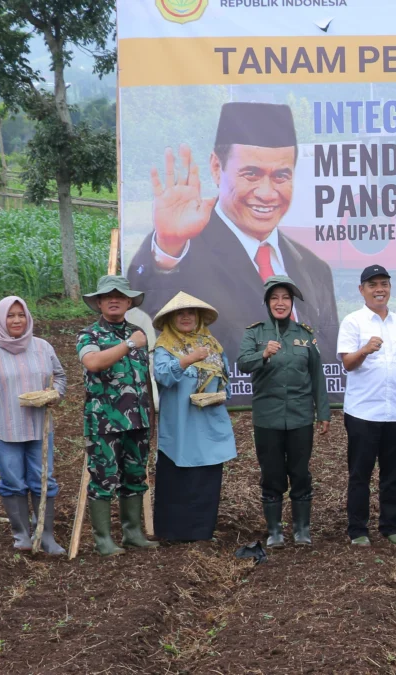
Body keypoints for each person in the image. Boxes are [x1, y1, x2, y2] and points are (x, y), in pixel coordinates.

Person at [129, 102, 339, 399]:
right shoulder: (185, 247)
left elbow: (328, 357)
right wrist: (169, 247)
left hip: (299, 411)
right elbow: (145, 299)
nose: (267, 193)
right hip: (223, 409)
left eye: (281, 175)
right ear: (217, 168)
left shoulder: (315, 268)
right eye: (251, 174)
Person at [0, 297, 67, 554]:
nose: (16, 320)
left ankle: (46, 535)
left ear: (28, 317)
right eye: (10, 315)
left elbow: (59, 376)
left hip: (38, 426)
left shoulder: (42, 347)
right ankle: (21, 535)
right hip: (2, 427)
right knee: (13, 482)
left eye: (21, 315)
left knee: (43, 480)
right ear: (0, 319)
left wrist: (55, 394)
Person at [237, 275, 331, 547]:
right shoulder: (254, 333)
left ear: (292, 302)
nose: (280, 303)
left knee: (301, 472)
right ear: (267, 302)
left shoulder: (304, 334)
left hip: (301, 417)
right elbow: (243, 363)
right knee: (272, 472)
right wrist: (263, 354)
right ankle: (275, 531)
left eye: (285, 298)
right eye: (275, 298)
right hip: (268, 418)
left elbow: (317, 376)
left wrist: (322, 413)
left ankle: (302, 529)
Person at [337, 265, 396, 547]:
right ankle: (358, 530)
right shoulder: (353, 322)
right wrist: (364, 350)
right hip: (363, 412)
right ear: (362, 290)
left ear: (390, 288)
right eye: (373, 285)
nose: (379, 289)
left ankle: (390, 526)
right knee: (360, 474)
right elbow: (347, 363)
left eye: (384, 283)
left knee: (393, 475)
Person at [76, 275, 156, 556]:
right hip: (104, 422)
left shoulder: (138, 333)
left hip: (138, 421)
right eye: (107, 296)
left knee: (135, 475)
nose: (114, 300)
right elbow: (93, 362)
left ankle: (133, 533)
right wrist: (129, 345)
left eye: (120, 296)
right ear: (98, 302)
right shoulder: (90, 335)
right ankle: (103, 540)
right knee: (103, 478)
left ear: (129, 302)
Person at [151, 292, 237, 543]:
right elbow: (163, 377)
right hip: (180, 425)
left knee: (206, 481)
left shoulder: (212, 345)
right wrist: (188, 359)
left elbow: (226, 380)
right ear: (171, 319)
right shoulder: (165, 347)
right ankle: (172, 534)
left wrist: (221, 395)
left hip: (209, 422)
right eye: (180, 313)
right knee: (177, 479)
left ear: (199, 317)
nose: (186, 317)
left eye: (191, 313)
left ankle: (202, 533)